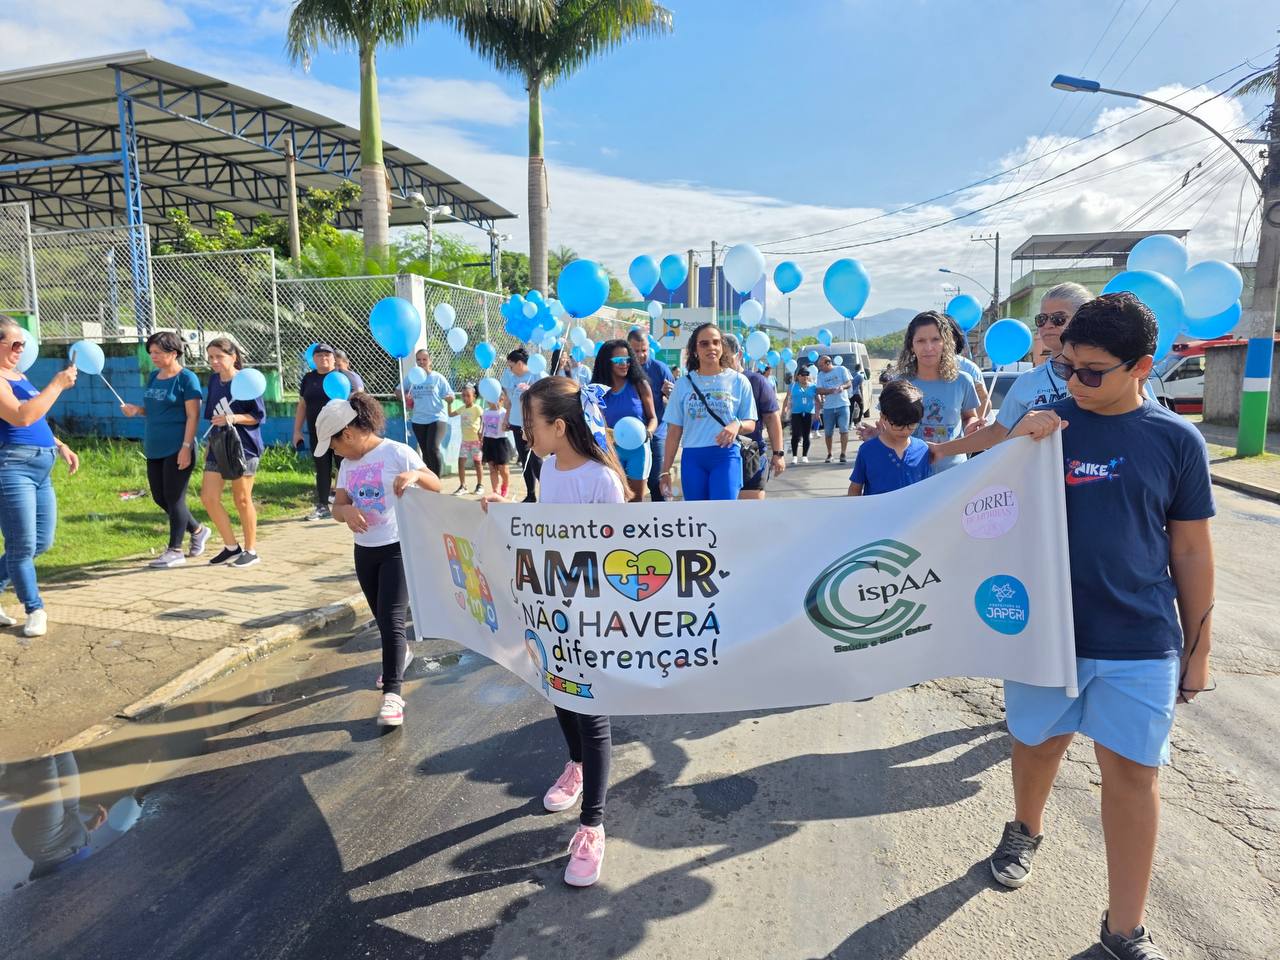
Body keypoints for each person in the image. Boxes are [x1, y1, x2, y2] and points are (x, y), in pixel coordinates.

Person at [989, 292, 1215, 960]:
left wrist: (1198, 652)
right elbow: (984, 520)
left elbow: (1192, 550)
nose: (1076, 383)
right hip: (1045, 637)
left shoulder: (1176, 441)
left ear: (1142, 366)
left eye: (1093, 371)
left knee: (1133, 778)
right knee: (1037, 745)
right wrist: (1012, 452)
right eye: (1067, 368)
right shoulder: (1042, 429)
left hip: (1140, 640)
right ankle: (1025, 829)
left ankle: (1124, 932)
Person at [481, 376, 628, 887]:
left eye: (530, 424)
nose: (524, 435)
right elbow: (545, 530)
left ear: (559, 426)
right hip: (551, 612)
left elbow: (615, 557)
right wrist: (510, 514)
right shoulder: (546, 467)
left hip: (589, 616)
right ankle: (576, 766)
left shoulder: (602, 480)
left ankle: (593, 827)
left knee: (591, 710)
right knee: (560, 695)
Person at [319, 393, 441, 727]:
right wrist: (346, 510)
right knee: (380, 616)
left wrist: (414, 476)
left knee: (391, 620)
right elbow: (336, 508)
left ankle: (392, 696)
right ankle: (401, 655)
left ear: (347, 434)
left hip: (397, 547)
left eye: (333, 445)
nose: (334, 453)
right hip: (365, 550)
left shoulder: (396, 452)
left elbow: (436, 484)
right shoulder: (347, 465)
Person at [927, 283, 1092, 462]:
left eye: (1058, 319)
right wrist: (939, 450)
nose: (1048, 325)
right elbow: (995, 433)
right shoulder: (1028, 381)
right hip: (1041, 484)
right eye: (1042, 319)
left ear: (1083, 318)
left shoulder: (1107, 375)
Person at [0, 317, 79, 637]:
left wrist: (60, 444)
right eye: (15, 344)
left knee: (41, 542)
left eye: (23, 344)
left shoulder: (18, 375)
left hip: (41, 465)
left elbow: (37, 418)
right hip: (13, 467)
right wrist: (57, 384)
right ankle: (34, 608)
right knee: (22, 545)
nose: (21, 349)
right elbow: (22, 417)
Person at [121, 331, 210, 568]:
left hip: (178, 446)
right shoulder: (153, 377)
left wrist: (186, 447)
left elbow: (193, 416)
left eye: (158, 353)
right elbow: (155, 409)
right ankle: (198, 530)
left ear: (173, 353)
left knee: (174, 497)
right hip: (154, 446)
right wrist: (137, 410)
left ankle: (175, 550)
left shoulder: (186, 379)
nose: (153, 357)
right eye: (151, 353)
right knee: (161, 497)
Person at [659, 322, 757, 502]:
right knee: (697, 518)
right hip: (693, 458)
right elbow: (674, 432)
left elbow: (751, 422)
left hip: (726, 456)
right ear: (694, 350)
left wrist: (737, 425)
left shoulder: (738, 381)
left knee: (723, 513)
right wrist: (665, 470)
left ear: (722, 346)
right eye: (704, 343)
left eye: (716, 342)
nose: (711, 347)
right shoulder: (683, 384)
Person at [199, 338, 265, 568]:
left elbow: (258, 416)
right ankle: (231, 547)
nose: (214, 361)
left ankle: (251, 550)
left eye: (219, 356)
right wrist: (208, 447)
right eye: (211, 357)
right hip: (218, 444)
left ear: (233, 357)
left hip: (244, 447)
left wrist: (233, 418)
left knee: (242, 499)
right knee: (208, 497)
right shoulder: (214, 381)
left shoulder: (246, 381)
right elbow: (211, 415)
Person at [890, 311, 978, 472]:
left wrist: (971, 426)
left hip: (955, 473)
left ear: (945, 342)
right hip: (910, 474)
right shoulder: (899, 383)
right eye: (921, 341)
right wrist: (877, 434)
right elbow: (888, 427)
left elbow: (969, 416)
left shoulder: (963, 381)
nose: (928, 347)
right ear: (911, 345)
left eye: (935, 339)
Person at [591, 339, 657, 501]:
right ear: (606, 363)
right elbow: (593, 422)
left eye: (628, 360)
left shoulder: (639, 385)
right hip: (610, 452)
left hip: (638, 451)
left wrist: (649, 431)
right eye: (619, 360)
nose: (624, 364)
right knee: (614, 499)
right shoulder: (596, 391)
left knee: (636, 500)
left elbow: (653, 418)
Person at [722, 334, 784, 500]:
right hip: (720, 456)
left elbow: (772, 419)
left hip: (750, 455)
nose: (723, 362)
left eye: (727, 357)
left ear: (739, 355)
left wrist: (778, 454)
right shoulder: (709, 383)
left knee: (751, 510)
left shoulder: (756, 381)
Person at [847, 381, 931, 496]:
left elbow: (926, 488)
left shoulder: (922, 449)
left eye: (912, 424)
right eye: (898, 425)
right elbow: (855, 489)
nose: (905, 430)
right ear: (883, 416)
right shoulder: (867, 451)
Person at [292, 343, 339, 520]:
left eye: (327, 355)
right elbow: (302, 405)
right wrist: (297, 431)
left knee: (344, 467)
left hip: (340, 432)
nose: (323, 358)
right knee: (322, 468)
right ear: (313, 359)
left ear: (334, 358)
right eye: (319, 355)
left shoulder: (340, 377)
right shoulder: (308, 378)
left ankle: (349, 503)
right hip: (316, 433)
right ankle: (323, 506)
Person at [626, 329, 675, 502]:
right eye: (636, 351)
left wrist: (670, 394)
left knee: (657, 481)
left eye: (644, 350)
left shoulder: (660, 369)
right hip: (628, 435)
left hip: (656, 434)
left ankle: (662, 522)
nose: (641, 355)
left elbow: (676, 402)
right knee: (629, 485)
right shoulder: (622, 369)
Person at [396, 349, 455, 477]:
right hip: (418, 420)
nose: (421, 362)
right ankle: (430, 481)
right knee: (425, 451)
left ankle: (437, 480)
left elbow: (451, 396)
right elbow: (398, 391)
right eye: (418, 360)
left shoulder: (437, 377)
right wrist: (405, 396)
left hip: (437, 418)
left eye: (424, 359)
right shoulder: (412, 377)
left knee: (432, 448)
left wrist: (449, 398)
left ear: (430, 361)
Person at [500, 348, 546, 503]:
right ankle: (531, 494)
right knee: (524, 459)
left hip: (533, 426)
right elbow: (509, 402)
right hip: (516, 424)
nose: (509, 369)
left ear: (520, 364)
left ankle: (547, 493)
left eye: (511, 366)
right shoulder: (511, 377)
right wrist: (506, 419)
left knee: (535, 459)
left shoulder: (536, 375)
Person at [946, 317, 991, 426]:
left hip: (960, 439)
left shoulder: (969, 369)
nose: (931, 345)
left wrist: (984, 398)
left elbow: (980, 413)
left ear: (954, 339)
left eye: (943, 337)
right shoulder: (912, 371)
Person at [814, 354, 854, 463]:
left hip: (843, 404)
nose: (820, 368)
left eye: (821, 366)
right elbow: (818, 390)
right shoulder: (820, 375)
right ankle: (829, 454)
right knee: (828, 432)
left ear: (828, 363)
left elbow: (849, 383)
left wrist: (842, 387)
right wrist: (830, 391)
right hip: (828, 407)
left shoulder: (841, 369)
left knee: (844, 430)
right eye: (819, 366)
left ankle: (843, 453)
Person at [450, 384, 484, 497]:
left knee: (477, 463)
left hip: (476, 441)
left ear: (474, 396)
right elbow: (450, 414)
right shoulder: (462, 408)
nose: (465, 398)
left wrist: (481, 431)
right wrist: (449, 403)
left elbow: (484, 420)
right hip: (465, 441)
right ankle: (462, 486)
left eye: (468, 396)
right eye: (463, 396)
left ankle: (480, 485)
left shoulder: (477, 408)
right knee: (461, 462)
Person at [782, 366, 819, 463]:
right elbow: (787, 398)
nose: (805, 377)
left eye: (807, 374)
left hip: (808, 413)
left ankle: (804, 456)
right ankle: (794, 456)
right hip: (796, 413)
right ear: (798, 376)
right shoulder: (793, 386)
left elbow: (817, 400)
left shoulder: (813, 386)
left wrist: (817, 413)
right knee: (796, 434)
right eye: (802, 375)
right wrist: (784, 409)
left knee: (806, 435)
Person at [481, 396, 511, 499]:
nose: (491, 400)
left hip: (501, 441)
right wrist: (481, 438)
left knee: (503, 469)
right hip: (488, 441)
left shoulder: (504, 412)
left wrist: (506, 427)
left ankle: (505, 485)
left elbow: (507, 427)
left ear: (501, 399)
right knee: (492, 468)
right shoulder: (485, 412)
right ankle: (495, 491)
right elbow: (483, 427)